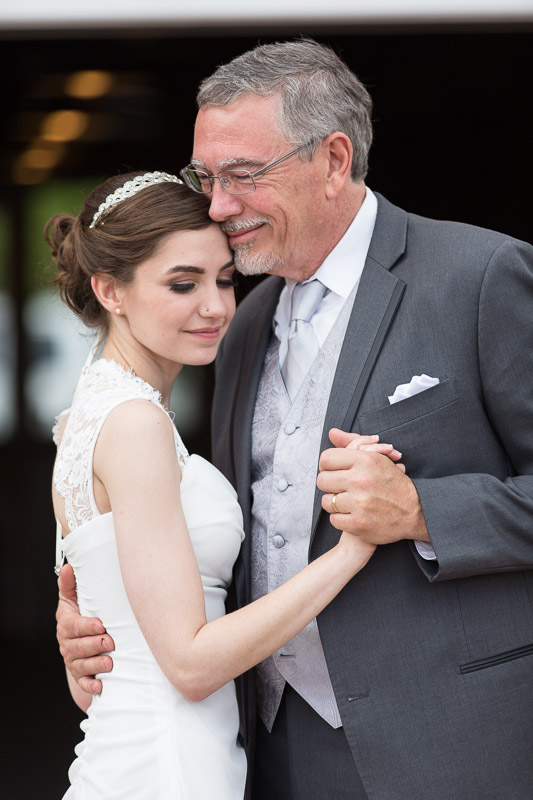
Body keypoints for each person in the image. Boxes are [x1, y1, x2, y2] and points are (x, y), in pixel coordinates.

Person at [56, 39, 533, 799]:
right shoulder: (238, 326)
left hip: (448, 740)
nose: (216, 206)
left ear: (333, 160)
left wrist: (421, 510)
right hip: (267, 749)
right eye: (205, 178)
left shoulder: (478, 278)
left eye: (242, 176)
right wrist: (93, 612)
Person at [48, 169, 393, 799]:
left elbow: (98, 606)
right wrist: (350, 552)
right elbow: (191, 662)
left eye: (226, 279)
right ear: (109, 291)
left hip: (149, 751)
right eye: (183, 283)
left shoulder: (85, 414)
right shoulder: (133, 424)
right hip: (166, 768)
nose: (217, 306)